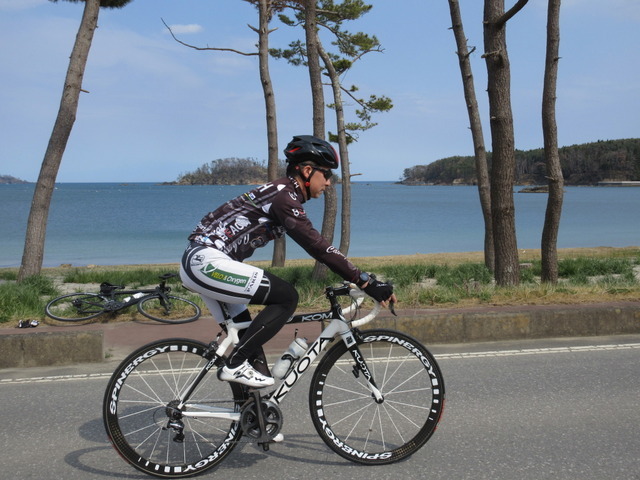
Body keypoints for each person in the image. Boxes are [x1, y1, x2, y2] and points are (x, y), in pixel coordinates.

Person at [180, 135, 396, 388]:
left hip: (203, 263)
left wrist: (358, 277)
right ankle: (235, 364)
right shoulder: (284, 196)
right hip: (207, 263)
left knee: (253, 355)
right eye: (326, 175)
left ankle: (254, 423)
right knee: (286, 297)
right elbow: (317, 246)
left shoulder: (282, 194)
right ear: (307, 170)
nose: (328, 182)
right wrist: (365, 281)